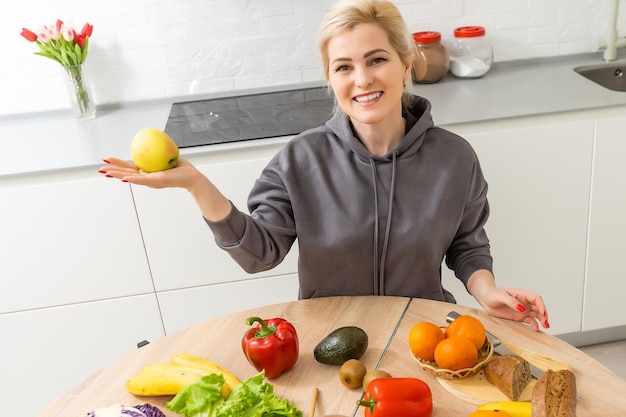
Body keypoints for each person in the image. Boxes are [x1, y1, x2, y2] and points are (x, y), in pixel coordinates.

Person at [100, 0, 549, 331]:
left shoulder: (454, 158)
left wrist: (489, 292)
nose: (362, 79)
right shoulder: (299, 160)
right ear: (330, 78)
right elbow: (260, 254)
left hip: (425, 331)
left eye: (376, 60)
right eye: (344, 67)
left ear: (406, 63)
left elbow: (467, 245)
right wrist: (196, 184)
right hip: (329, 338)